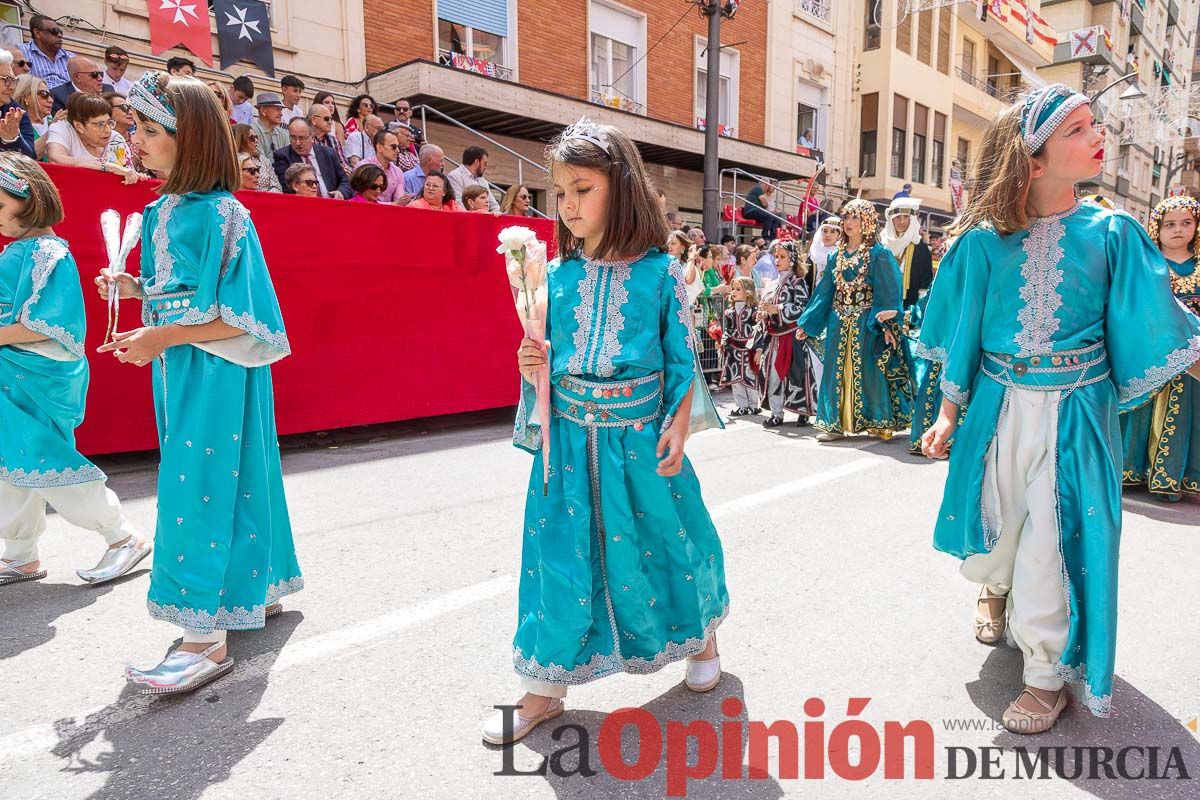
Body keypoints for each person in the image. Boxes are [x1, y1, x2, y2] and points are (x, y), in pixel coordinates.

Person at [918, 84, 1200, 733]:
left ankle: (1046, 677)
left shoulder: (1114, 233)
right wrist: (948, 413)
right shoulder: (985, 243)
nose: (1097, 133)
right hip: (998, 408)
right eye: (1077, 128)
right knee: (1003, 528)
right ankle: (999, 589)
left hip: (1076, 414)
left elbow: (1158, 325)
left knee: (1051, 537)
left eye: (1093, 123)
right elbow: (965, 335)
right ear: (1033, 159)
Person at [486, 117, 727, 746]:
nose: (566, 206)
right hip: (567, 446)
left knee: (670, 543)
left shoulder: (659, 274)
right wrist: (530, 365)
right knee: (558, 559)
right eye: (558, 193)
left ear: (619, 189)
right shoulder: (552, 279)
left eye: (582, 189)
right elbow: (546, 363)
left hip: (638, 444)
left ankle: (701, 637)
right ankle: (544, 687)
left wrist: (679, 427)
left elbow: (683, 361)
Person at [97, 70, 303, 695]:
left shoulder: (223, 214)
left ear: (191, 140)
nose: (139, 142)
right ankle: (251, 587)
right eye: (137, 129)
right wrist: (136, 292)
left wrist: (160, 335)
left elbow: (246, 316)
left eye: (151, 131)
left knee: (200, 484)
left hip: (216, 368)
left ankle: (202, 638)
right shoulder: (162, 209)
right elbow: (182, 295)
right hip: (183, 366)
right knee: (234, 473)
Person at [0, 152, 149, 589]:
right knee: (12, 460)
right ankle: (21, 552)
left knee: (40, 456)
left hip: (37, 373)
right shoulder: (22, 250)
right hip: (16, 371)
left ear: (26, 200)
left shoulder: (47, 252)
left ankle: (121, 535)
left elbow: (52, 324)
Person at [796, 199, 911, 441]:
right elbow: (824, 293)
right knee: (834, 370)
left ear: (867, 222)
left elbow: (889, 290)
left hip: (866, 321)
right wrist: (808, 323)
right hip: (838, 320)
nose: (848, 223)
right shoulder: (835, 256)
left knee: (869, 371)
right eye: (846, 217)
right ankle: (834, 425)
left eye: (854, 218)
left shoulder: (879, 254)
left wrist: (888, 324)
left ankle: (877, 421)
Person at [1120, 195, 1200, 502]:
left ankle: (1173, 477)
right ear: (1157, 228)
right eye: (1169, 224)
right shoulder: (1147, 265)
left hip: (1193, 351)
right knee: (1142, 410)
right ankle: (1132, 471)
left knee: (1186, 413)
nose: (1177, 230)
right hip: (1153, 348)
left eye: (1186, 223)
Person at [754, 238, 816, 428]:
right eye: (776, 257)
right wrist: (763, 312)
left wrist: (778, 309)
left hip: (792, 337)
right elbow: (767, 306)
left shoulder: (798, 282)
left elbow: (802, 307)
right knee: (772, 374)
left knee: (796, 374)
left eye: (782, 257)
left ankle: (802, 411)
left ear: (792, 259)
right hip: (774, 338)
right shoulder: (773, 283)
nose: (777, 260)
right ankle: (776, 412)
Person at [46, 93, 140, 184]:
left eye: (109, 122)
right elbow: (56, 159)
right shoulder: (62, 129)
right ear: (79, 126)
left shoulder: (116, 139)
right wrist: (107, 167)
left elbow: (126, 175)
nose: (108, 130)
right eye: (100, 124)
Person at [273, 117, 350, 199]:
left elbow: (345, 180)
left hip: (332, 204)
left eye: (302, 138)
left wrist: (340, 192)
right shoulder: (282, 156)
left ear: (312, 137)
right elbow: (287, 189)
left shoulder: (328, 153)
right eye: (293, 137)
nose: (297, 143)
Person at [720, 276, 762, 416]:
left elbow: (759, 330)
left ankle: (753, 405)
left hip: (748, 350)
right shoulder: (729, 312)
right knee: (736, 379)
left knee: (750, 377)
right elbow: (728, 330)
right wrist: (724, 340)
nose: (734, 291)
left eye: (738, 289)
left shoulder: (754, 311)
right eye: (733, 289)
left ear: (748, 291)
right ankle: (741, 406)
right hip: (735, 350)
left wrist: (758, 349)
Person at [0, 51, 37, 160]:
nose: (12, 87)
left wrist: (12, 139)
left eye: (13, 80)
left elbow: (31, 160)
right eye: (6, 80)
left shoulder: (16, 111)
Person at [21, 15, 74, 89]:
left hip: (68, 98)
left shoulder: (71, 58)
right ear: (37, 33)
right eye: (54, 31)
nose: (59, 35)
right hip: (39, 96)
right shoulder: (21, 52)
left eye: (60, 32)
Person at [353, 129, 406, 203]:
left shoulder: (398, 172)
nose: (398, 150)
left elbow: (399, 200)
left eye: (398, 147)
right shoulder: (363, 166)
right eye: (393, 147)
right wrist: (392, 205)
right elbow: (359, 198)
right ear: (379, 147)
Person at [447, 145, 500, 212]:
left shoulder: (482, 180)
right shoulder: (455, 176)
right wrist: (472, 216)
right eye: (485, 164)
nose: (485, 167)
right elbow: (457, 203)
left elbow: (493, 204)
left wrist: (499, 215)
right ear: (476, 162)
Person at [13, 74, 54, 159]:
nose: (51, 100)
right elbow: (28, 157)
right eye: (44, 94)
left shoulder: (54, 121)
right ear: (26, 98)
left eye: (51, 95)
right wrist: (53, 130)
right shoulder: (15, 125)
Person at [232, 123, 281, 193]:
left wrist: (265, 197)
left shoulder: (264, 160)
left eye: (256, 137)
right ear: (241, 139)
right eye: (252, 138)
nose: (256, 141)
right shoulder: (232, 162)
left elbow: (276, 186)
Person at [308, 103, 348, 177]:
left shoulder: (334, 140)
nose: (330, 122)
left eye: (331, 119)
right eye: (326, 119)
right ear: (314, 120)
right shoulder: (305, 140)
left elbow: (343, 164)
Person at [252, 92, 288, 162]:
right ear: (263, 111)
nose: (281, 114)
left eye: (281, 110)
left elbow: (288, 158)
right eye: (277, 109)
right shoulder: (252, 131)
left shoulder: (283, 133)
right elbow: (261, 162)